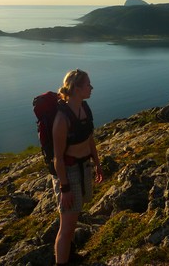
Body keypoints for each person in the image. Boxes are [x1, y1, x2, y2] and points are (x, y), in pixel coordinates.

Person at [52, 69, 103, 265]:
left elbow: (89, 139)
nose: (91, 87)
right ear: (76, 88)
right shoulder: (61, 119)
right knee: (66, 226)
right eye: (88, 84)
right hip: (69, 172)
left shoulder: (84, 109)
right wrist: (64, 188)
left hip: (84, 167)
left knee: (73, 220)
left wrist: (97, 164)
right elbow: (58, 158)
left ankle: (69, 256)